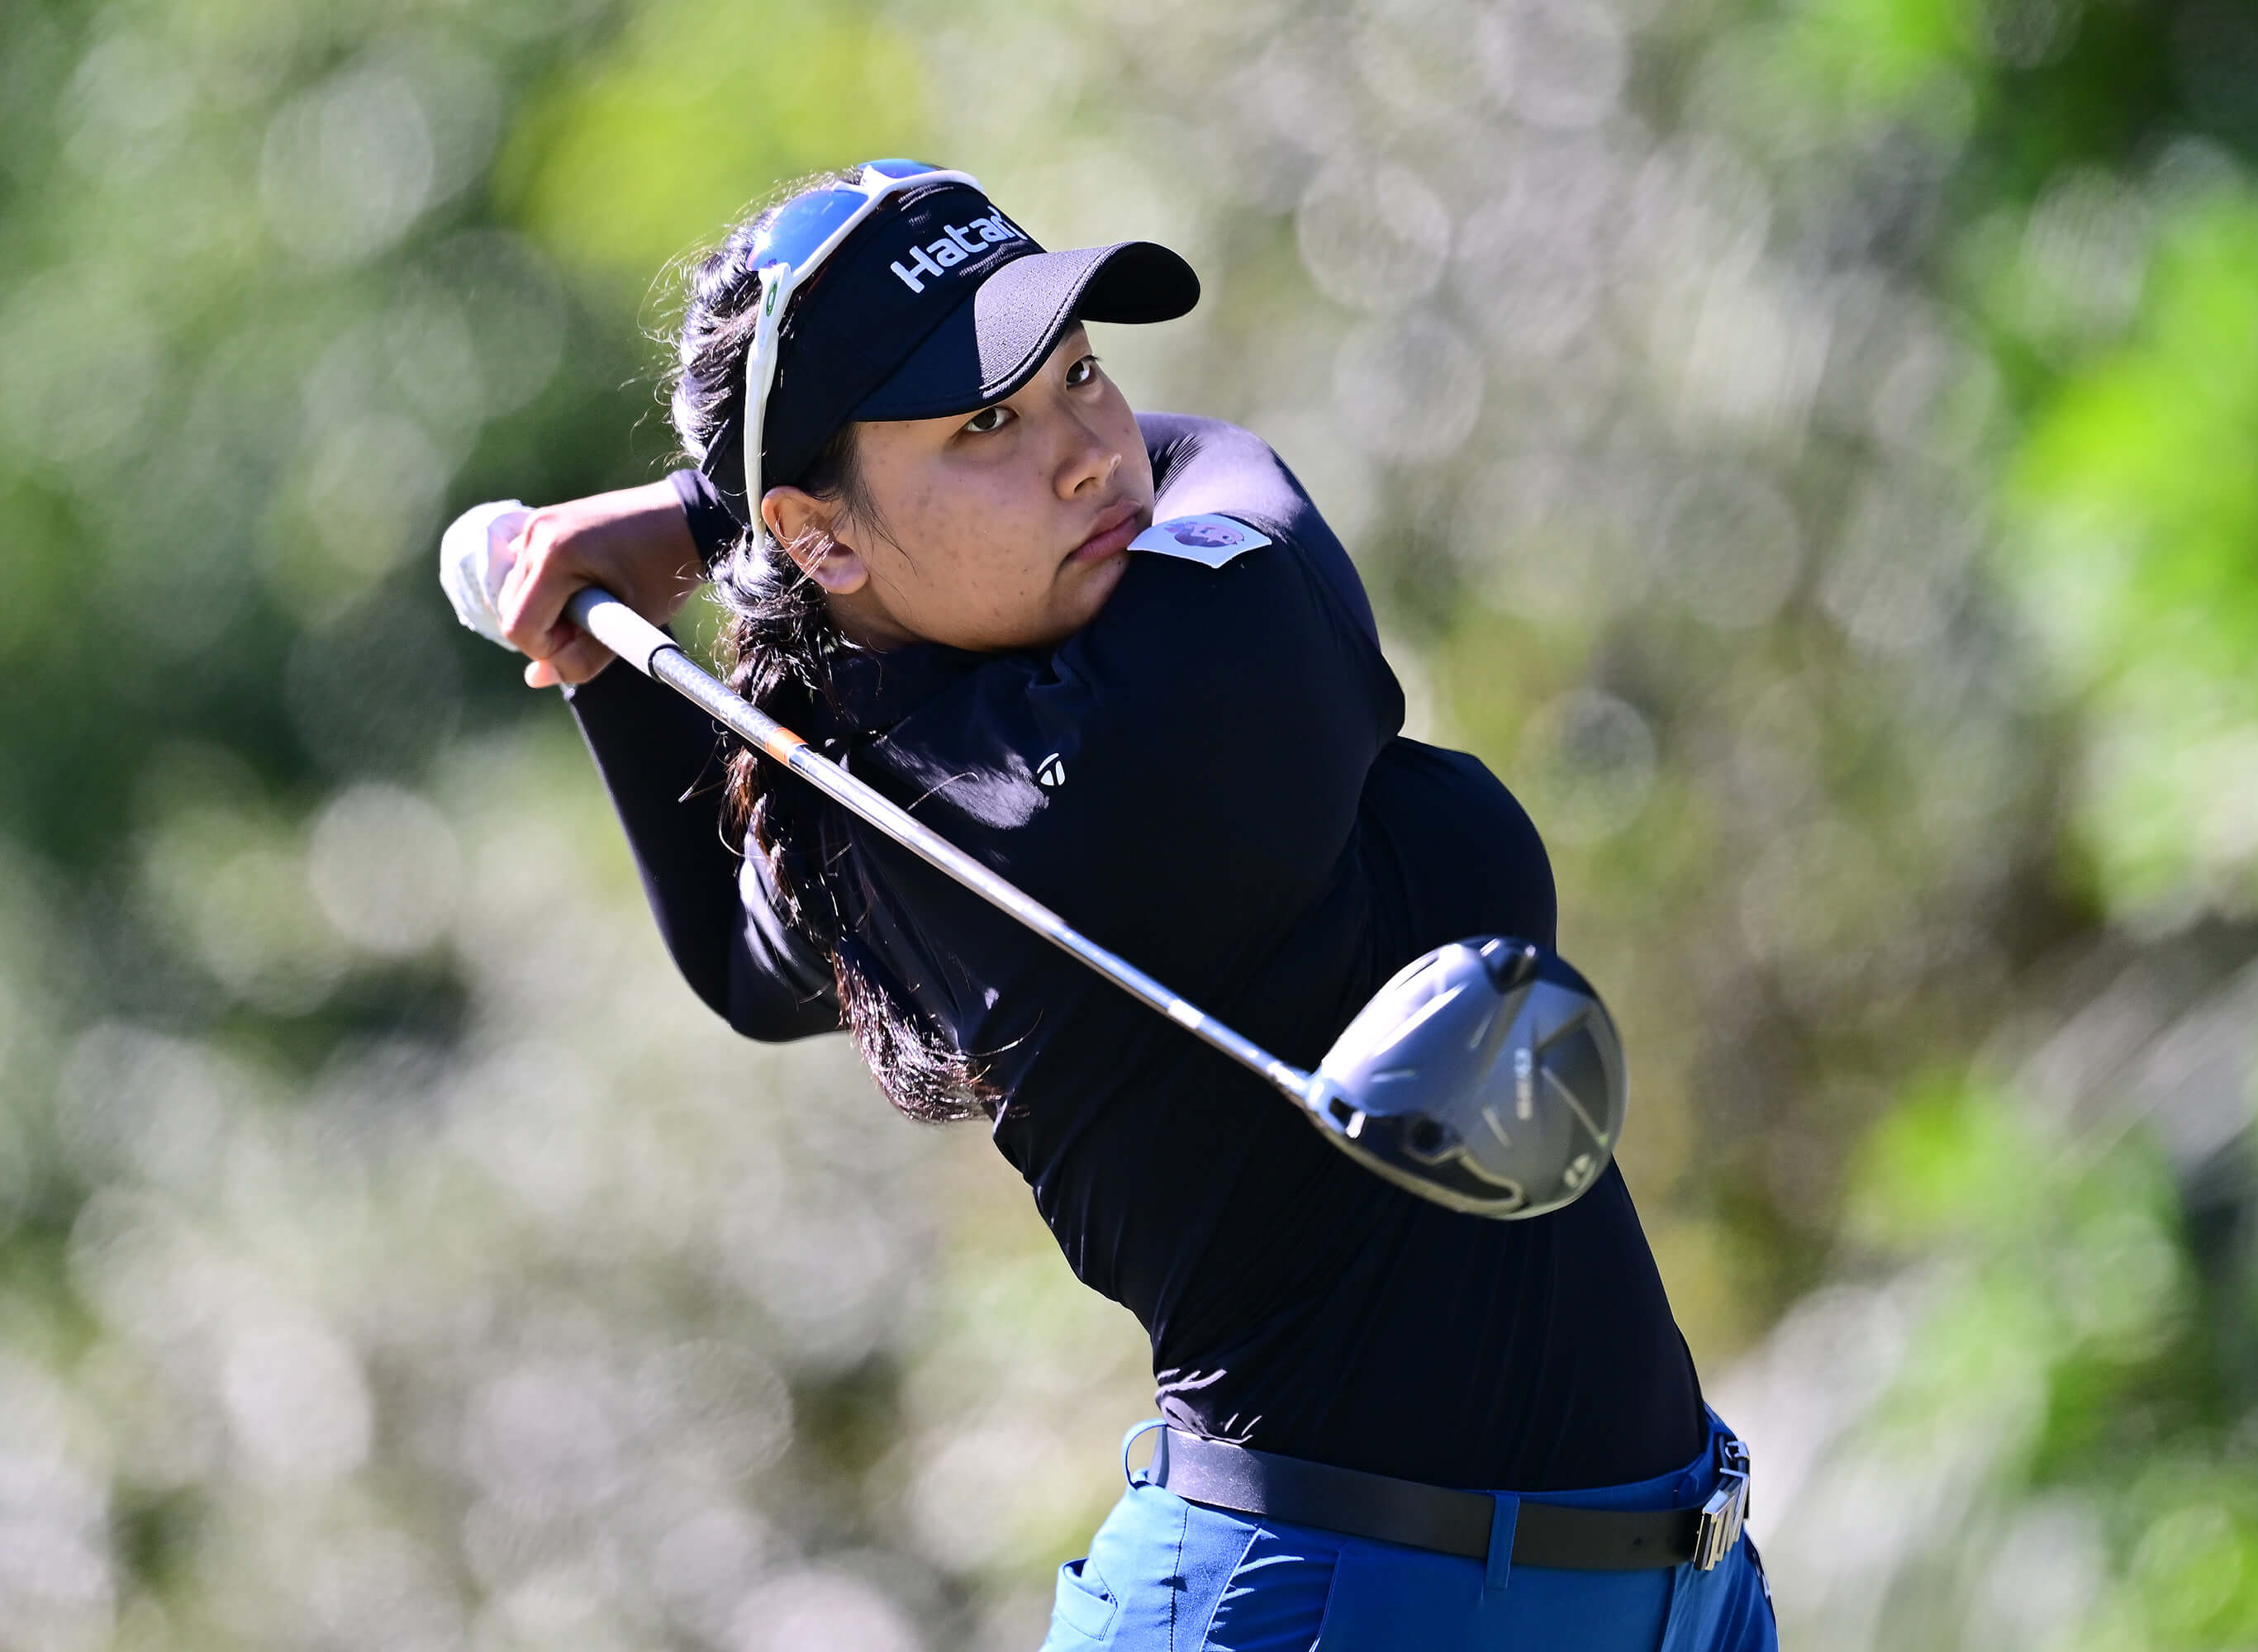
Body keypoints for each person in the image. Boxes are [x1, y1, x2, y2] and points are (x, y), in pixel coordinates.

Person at [481, 159, 1777, 1650]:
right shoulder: (1155, 719)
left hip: (1654, 1583)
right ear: (821, 533)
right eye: (986, 424)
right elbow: (1231, 469)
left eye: (1081, 374)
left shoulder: (867, 802)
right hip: (1337, 1610)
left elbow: (740, 955)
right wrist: (698, 518)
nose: (1089, 456)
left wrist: (632, 628)